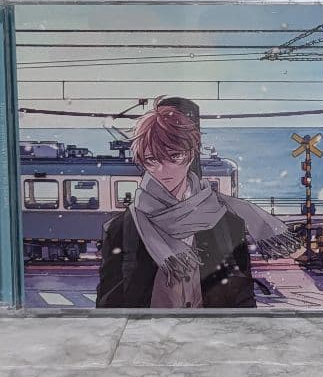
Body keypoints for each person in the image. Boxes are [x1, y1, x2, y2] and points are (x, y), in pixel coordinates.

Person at [96, 97, 302, 309]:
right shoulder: (122, 229)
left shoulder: (228, 223)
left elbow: (242, 299)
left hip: (212, 330)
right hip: (150, 330)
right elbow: (109, 308)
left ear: (191, 153)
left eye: (174, 156)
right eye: (152, 160)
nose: (163, 169)